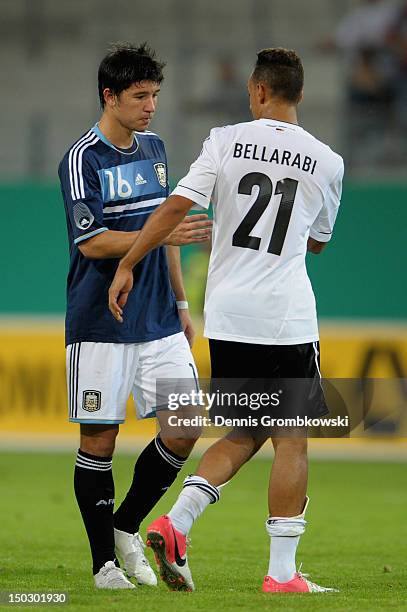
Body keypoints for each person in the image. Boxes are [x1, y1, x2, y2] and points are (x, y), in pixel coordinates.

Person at [108, 48, 344, 594]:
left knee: (243, 431)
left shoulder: (224, 140)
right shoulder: (328, 161)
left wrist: (128, 261)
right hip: (286, 317)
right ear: (299, 95)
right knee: (292, 440)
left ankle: (175, 522)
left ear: (257, 91)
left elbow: (174, 208)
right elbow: (317, 242)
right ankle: (282, 574)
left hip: (230, 316)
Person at [58, 42, 212, 590]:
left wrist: (181, 301)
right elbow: (93, 242)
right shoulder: (83, 159)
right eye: (140, 96)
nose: (151, 106)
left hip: (159, 321)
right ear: (110, 96)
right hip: (101, 323)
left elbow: (162, 225)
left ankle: (127, 527)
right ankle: (103, 564)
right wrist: (164, 234)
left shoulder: (155, 147)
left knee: (187, 424)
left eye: (155, 96)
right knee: (100, 441)